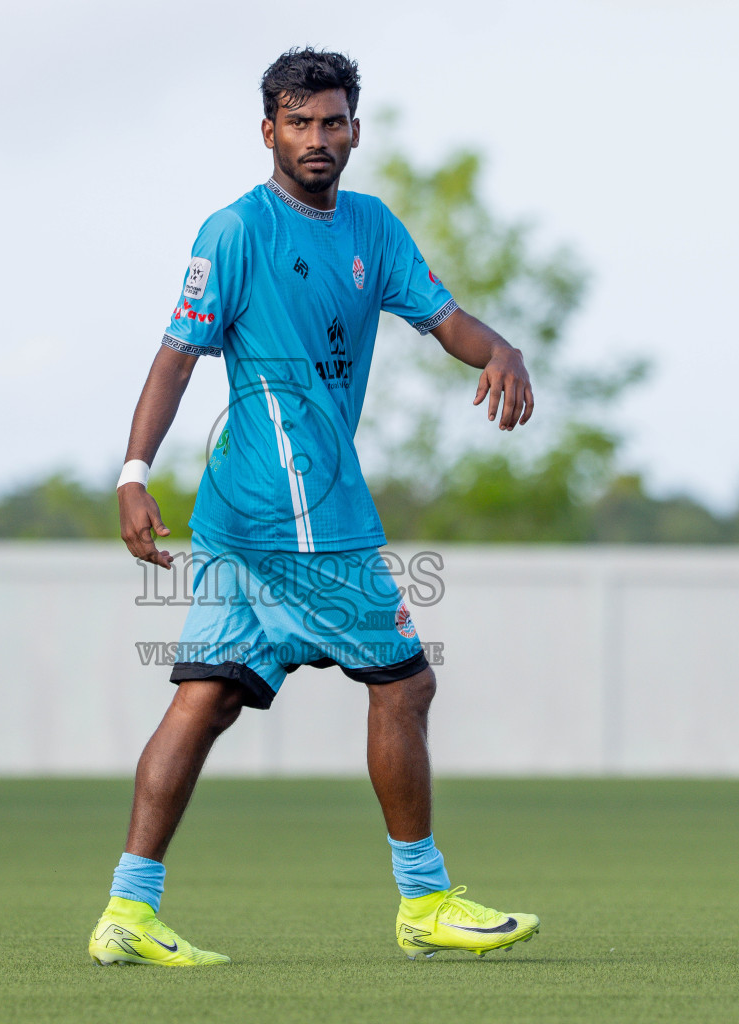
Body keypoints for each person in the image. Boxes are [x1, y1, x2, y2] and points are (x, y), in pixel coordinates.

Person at [90, 48, 539, 967]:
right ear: (268, 132)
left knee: (206, 699)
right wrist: (133, 470)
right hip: (292, 504)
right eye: (300, 123)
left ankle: (125, 914)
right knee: (405, 681)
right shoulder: (235, 231)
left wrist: (502, 350)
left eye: (333, 122)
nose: (318, 139)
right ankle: (425, 899)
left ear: (355, 131)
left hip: (248, 513)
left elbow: (444, 319)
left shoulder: (372, 226)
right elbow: (176, 357)